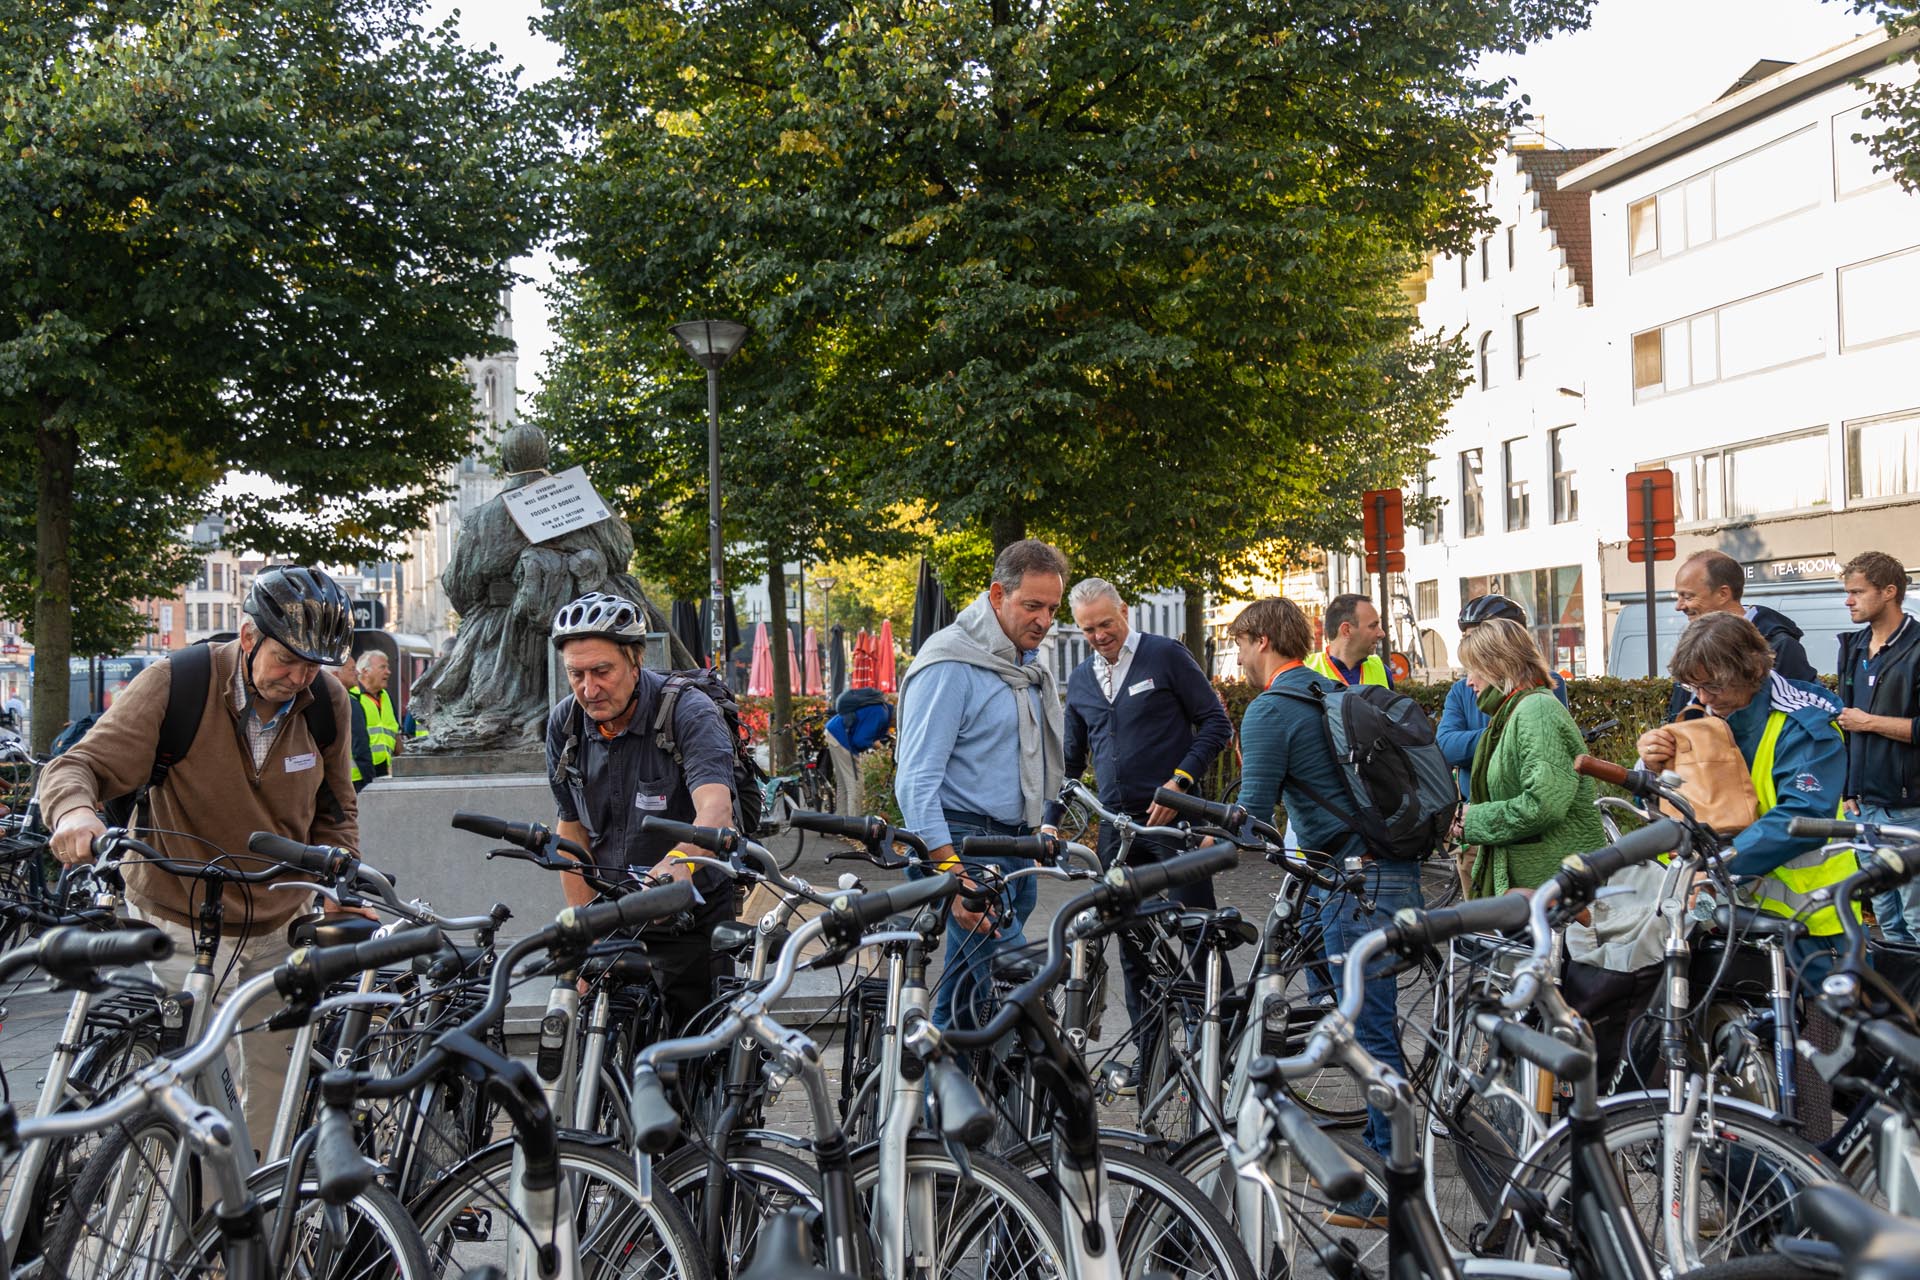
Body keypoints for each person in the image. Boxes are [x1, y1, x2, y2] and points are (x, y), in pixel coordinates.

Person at [39, 566, 358, 1148]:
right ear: (246, 637)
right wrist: (75, 815)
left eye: (315, 664)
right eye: (287, 660)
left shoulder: (325, 703)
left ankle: (248, 1219)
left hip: (276, 922)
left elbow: (335, 812)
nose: (300, 677)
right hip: (178, 914)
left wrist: (338, 887)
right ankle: (180, 1207)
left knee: (274, 1086)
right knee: (193, 1085)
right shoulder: (177, 683)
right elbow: (77, 766)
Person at [1230, 596, 1406, 1227]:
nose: (1239, 658)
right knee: (1356, 1021)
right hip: (1382, 869)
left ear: (1260, 641)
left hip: (1353, 880)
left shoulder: (1272, 708)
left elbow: (1251, 815)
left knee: (1370, 1031)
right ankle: (1383, 1168)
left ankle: (1390, 1189)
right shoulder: (1325, 691)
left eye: (1240, 645)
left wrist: (1199, 845)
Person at [1039, 578, 1233, 1081]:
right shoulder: (1081, 678)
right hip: (1116, 834)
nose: (1100, 635)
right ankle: (1153, 1064)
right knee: (1131, 947)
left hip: (1175, 827)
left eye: (1106, 623)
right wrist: (1049, 822)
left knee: (1198, 934)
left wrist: (1180, 784)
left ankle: (1228, 1052)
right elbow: (1072, 764)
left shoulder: (1165, 655)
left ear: (1124, 611)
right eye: (1088, 629)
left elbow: (1215, 723)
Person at [545, 592, 738, 1032]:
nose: (589, 689)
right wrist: (586, 929)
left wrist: (679, 862)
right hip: (612, 906)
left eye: (602, 671)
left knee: (691, 1045)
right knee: (594, 1035)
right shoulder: (565, 723)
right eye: (576, 674)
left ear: (635, 661)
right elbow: (570, 826)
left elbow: (715, 809)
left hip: (689, 907)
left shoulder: (688, 711)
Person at [895, 539, 1068, 1030]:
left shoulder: (1022, 664)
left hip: (1012, 851)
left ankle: (936, 1103)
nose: (1044, 620)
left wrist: (1039, 829)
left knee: (965, 1007)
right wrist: (953, 877)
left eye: (1052, 608)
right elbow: (915, 782)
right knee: (1020, 999)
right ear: (997, 595)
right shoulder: (952, 664)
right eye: (1032, 605)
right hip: (964, 850)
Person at [1636, 613, 1854, 963]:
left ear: (1752, 670)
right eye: (1695, 687)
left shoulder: (1803, 722)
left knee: (1832, 1016)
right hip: (1716, 913)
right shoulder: (1703, 713)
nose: (1705, 697)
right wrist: (1650, 765)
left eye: (1714, 687)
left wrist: (1717, 866)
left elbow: (1804, 816)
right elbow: (1664, 803)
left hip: (1809, 923)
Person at [1455, 618, 1606, 898]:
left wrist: (1472, 819)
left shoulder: (1535, 710)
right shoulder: (1516, 710)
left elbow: (1543, 804)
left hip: (1549, 886)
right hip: (1540, 882)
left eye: (1473, 669)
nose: (1468, 681)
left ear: (1497, 665)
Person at [1835, 551, 1920, 943]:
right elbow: (1848, 727)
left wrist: (1869, 722)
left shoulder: (1917, 648)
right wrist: (1849, 788)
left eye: (1857, 591)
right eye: (1847, 592)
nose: (1848, 600)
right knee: (1886, 918)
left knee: (1917, 918)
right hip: (1864, 806)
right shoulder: (1853, 647)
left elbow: (1860, 722)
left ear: (1889, 592)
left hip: (1909, 808)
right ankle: (1902, 1002)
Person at [1666, 550, 1818, 720]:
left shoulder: (1781, 647)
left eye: (1687, 596)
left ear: (1723, 594)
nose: (1679, 606)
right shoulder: (1693, 644)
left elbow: (1801, 720)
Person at [823, 686, 892, 815]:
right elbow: (860, 740)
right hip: (842, 738)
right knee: (855, 784)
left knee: (844, 784)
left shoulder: (880, 708)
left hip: (833, 732)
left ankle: (840, 823)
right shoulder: (880, 713)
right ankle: (853, 828)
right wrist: (875, 744)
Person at [1304, 593, 1391, 688]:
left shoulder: (1382, 669)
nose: (1382, 633)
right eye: (1373, 626)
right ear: (1346, 630)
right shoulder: (1304, 670)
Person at [350, 650, 401, 785]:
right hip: (358, 777)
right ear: (365, 672)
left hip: (384, 771)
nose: (388, 672)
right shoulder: (353, 698)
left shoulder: (386, 697)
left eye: (388, 667)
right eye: (382, 667)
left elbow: (396, 733)